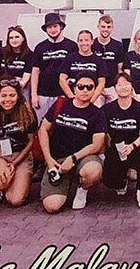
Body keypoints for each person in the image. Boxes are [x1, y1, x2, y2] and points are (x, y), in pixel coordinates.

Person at [38, 77, 106, 213]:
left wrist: (73, 158)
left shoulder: (98, 113)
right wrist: (49, 160)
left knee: (93, 171)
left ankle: (82, 189)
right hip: (57, 160)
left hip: (81, 159)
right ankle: (64, 186)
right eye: (81, 86)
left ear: (94, 90)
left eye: (89, 87)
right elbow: (43, 130)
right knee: (52, 207)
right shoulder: (61, 104)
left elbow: (97, 145)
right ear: (74, 88)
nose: (85, 90)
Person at [0, 80, 37, 207]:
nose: (7, 99)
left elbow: (30, 142)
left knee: (15, 200)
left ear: (18, 96)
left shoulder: (28, 113)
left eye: (12, 95)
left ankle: (10, 184)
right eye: (3, 96)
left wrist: (14, 163)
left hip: (19, 155)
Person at [102, 72, 140, 209]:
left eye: (126, 84)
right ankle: (121, 181)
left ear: (132, 87)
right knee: (109, 180)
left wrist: (132, 146)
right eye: (119, 84)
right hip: (117, 149)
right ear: (115, 88)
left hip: (136, 147)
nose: (123, 87)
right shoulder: (108, 110)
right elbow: (105, 134)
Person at [30, 12, 79, 124]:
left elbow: (76, 70)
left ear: (60, 27)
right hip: (43, 94)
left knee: (62, 126)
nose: (52, 30)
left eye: (55, 26)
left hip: (64, 94)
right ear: (46, 29)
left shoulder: (71, 46)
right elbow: (35, 71)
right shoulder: (40, 47)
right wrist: (34, 95)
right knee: (42, 126)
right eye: (49, 27)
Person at [58, 30, 107, 106]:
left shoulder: (98, 60)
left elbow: (102, 83)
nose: (84, 43)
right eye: (81, 40)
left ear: (92, 41)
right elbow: (62, 79)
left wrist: (91, 101)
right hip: (73, 99)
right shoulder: (70, 58)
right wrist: (72, 98)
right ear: (77, 42)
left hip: (93, 100)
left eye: (86, 40)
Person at [0, 26, 33, 92]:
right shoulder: (0, 52)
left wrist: (15, 91)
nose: (14, 40)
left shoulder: (30, 55)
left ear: (23, 38)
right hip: (0, 87)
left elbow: (25, 78)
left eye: (17, 37)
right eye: (11, 38)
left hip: (19, 89)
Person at [92, 14, 125, 104]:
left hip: (111, 87)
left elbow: (120, 69)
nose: (105, 29)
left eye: (108, 27)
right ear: (98, 27)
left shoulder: (118, 46)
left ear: (112, 28)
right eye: (103, 26)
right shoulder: (92, 45)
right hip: (96, 86)